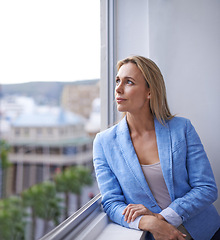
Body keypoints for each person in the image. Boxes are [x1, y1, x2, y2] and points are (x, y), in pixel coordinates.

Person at [93, 56, 220, 240]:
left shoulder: (182, 129)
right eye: (117, 81)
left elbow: (206, 188)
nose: (118, 89)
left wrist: (161, 218)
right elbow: (112, 203)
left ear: (149, 92)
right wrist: (149, 223)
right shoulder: (104, 142)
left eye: (129, 82)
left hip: (206, 233)